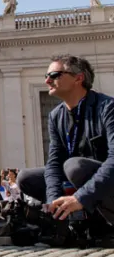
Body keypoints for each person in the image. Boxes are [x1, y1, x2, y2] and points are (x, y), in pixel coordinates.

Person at [18, 55, 114, 231]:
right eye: (46, 76)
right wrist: (52, 201)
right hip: (79, 184)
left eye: (54, 75)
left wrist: (81, 198)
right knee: (26, 178)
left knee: (74, 166)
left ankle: (104, 222)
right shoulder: (56, 116)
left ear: (78, 78)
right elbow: (54, 163)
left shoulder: (108, 108)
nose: (48, 80)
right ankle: (68, 218)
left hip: (105, 183)